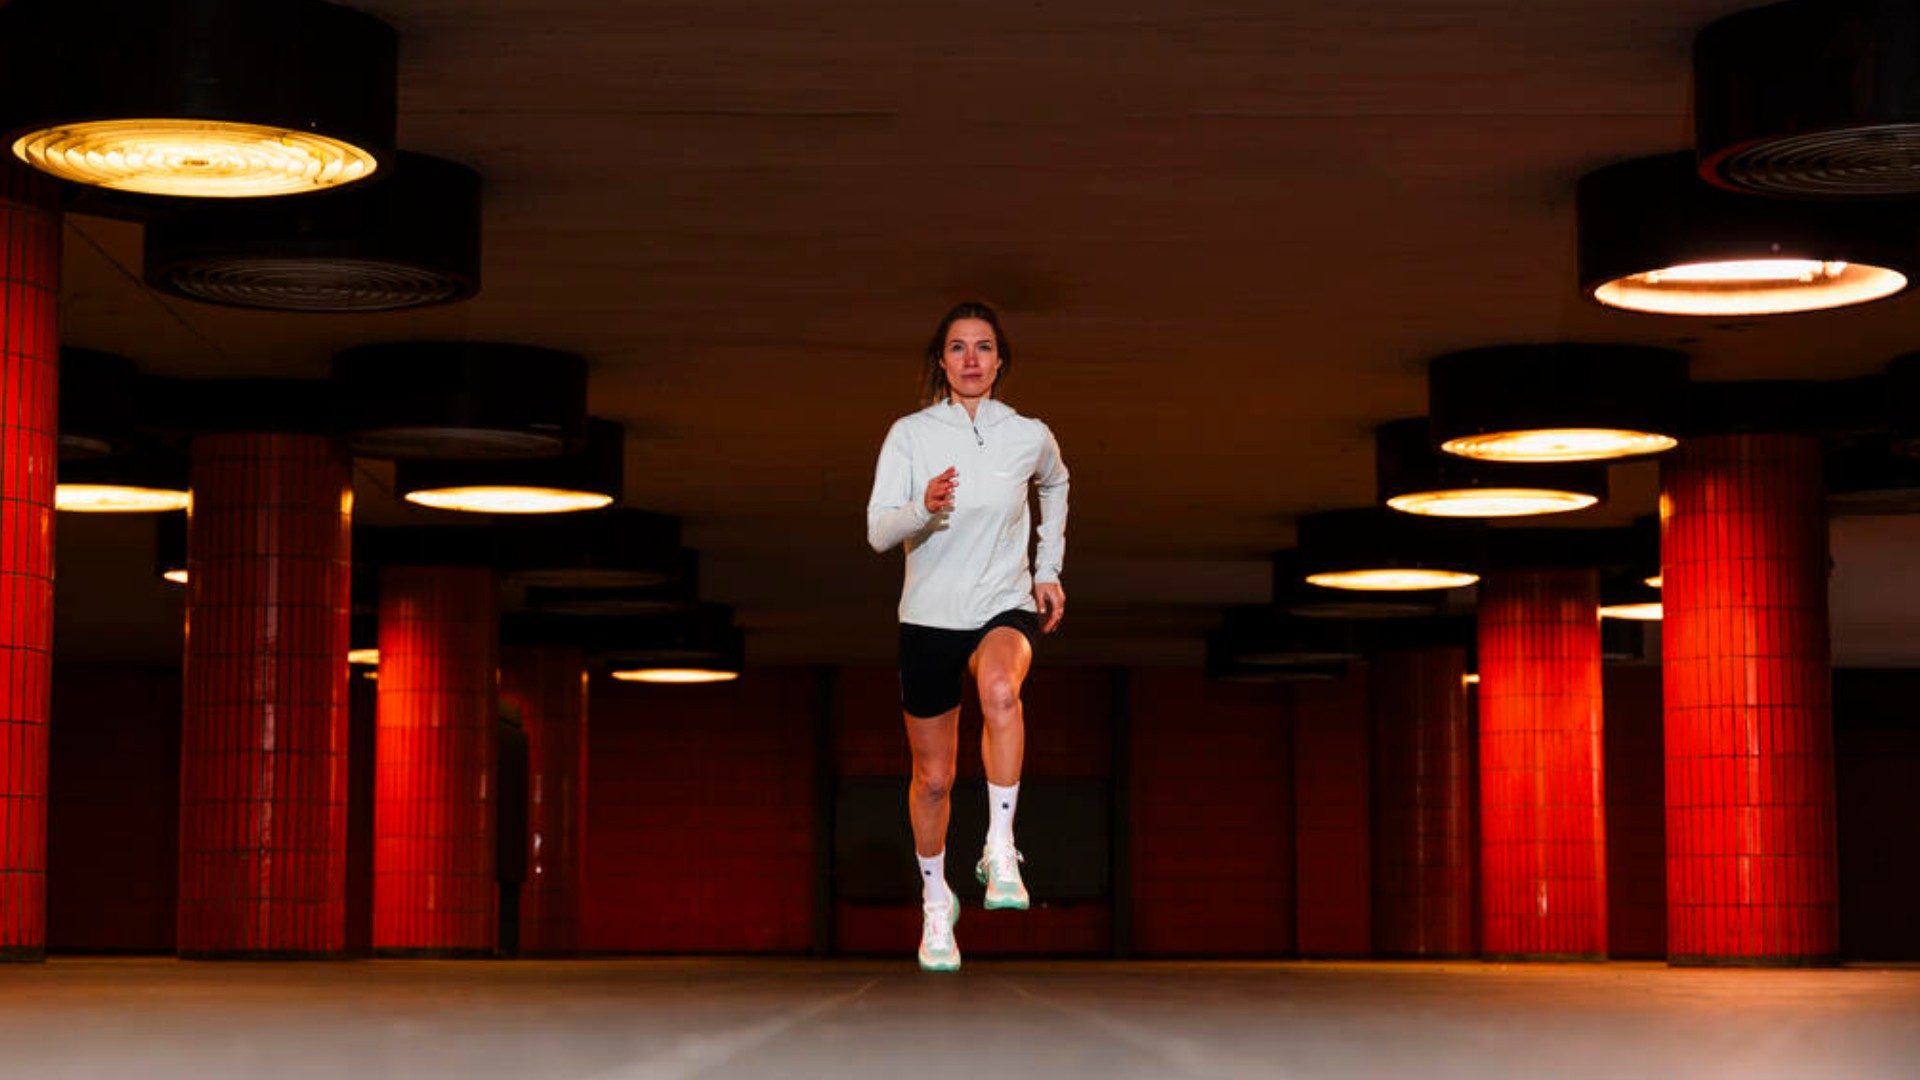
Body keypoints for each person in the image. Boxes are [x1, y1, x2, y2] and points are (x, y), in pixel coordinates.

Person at [865, 300, 1069, 972]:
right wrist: (921, 508)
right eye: (958, 347)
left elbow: (1057, 482)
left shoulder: (1028, 434)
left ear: (1000, 359)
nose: (972, 359)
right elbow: (878, 532)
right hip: (929, 617)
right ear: (942, 360)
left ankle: (1000, 848)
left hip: (1002, 604)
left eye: (984, 346)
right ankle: (936, 902)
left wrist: (1047, 569)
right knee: (934, 779)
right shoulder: (911, 434)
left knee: (1003, 690)